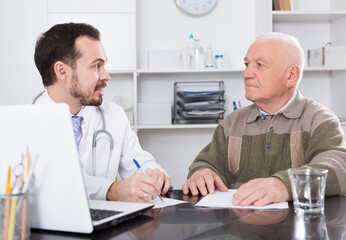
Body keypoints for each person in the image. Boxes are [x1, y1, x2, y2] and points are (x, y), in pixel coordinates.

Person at [182, 32, 346, 206]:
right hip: (240, 228)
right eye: (246, 64)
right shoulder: (231, 123)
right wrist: (202, 172)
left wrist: (283, 185)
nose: (246, 73)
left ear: (291, 76)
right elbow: (205, 163)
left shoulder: (319, 119)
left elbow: (338, 169)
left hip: (298, 227)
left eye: (260, 65)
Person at [33, 22, 170, 202]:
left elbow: (138, 162)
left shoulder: (113, 114)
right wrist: (110, 190)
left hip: (109, 225)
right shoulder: (27, 124)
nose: (106, 76)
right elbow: (47, 183)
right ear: (62, 71)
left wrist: (154, 174)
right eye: (96, 66)